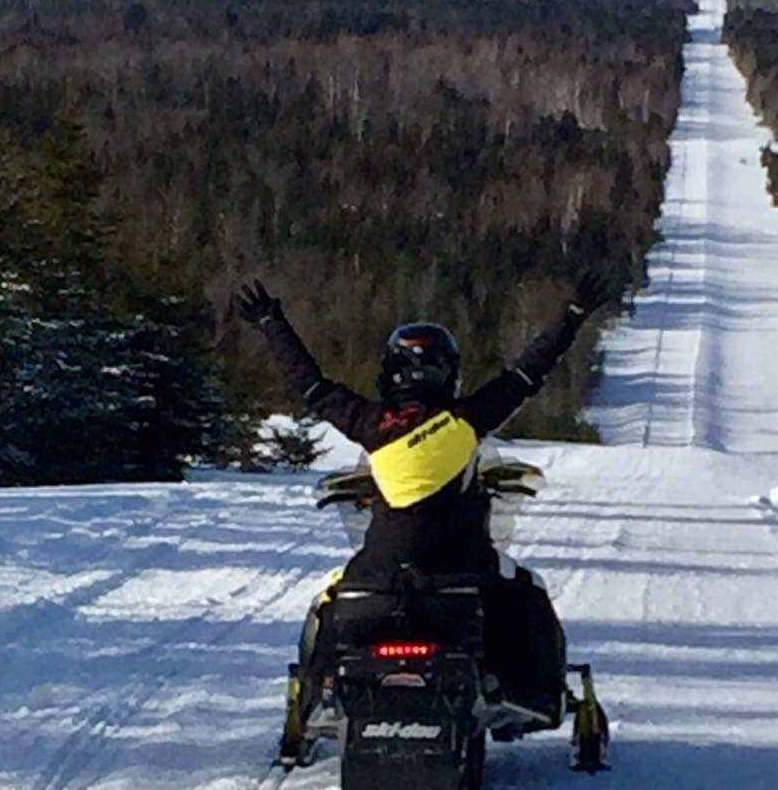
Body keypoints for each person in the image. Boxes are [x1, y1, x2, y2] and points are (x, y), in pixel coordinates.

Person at [237, 273, 613, 750]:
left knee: (327, 603)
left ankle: (312, 700)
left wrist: (272, 324)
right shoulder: (467, 421)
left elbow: (311, 385)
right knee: (527, 596)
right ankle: (534, 697)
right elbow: (527, 373)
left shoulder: (369, 423)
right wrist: (572, 317)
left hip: (380, 571)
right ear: (449, 374)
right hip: (460, 572)